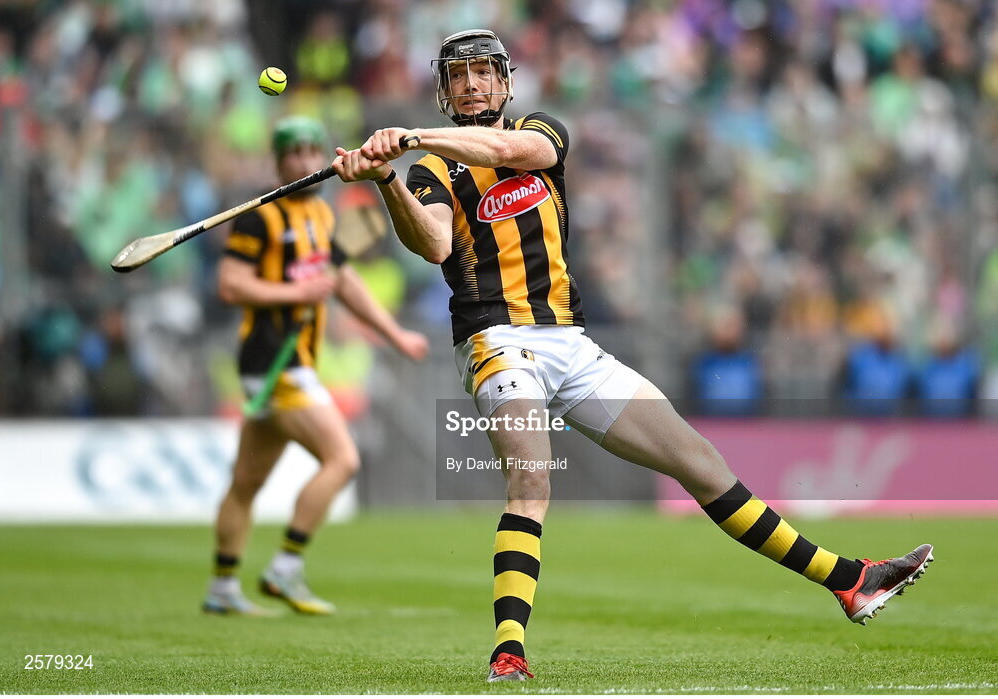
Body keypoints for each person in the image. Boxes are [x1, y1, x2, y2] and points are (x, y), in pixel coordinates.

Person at [331, 30, 933, 682]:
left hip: (572, 344)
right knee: (532, 481)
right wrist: (389, 178)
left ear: (506, 83)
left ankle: (849, 580)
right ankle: (509, 649)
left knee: (701, 463)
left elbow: (510, 150)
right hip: (495, 340)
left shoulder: (540, 130)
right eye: (460, 76)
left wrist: (412, 134)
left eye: (484, 73)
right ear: (445, 91)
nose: (473, 84)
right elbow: (434, 245)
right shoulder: (431, 171)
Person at [204, 115, 429, 616]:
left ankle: (221, 588)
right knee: (343, 459)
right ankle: (285, 567)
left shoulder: (323, 217)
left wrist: (393, 334)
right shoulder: (260, 216)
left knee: (246, 482)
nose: (306, 160)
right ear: (279, 160)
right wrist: (297, 291)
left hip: (293, 361)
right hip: (272, 359)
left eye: (313, 150)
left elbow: (343, 283)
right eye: (295, 152)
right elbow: (230, 285)